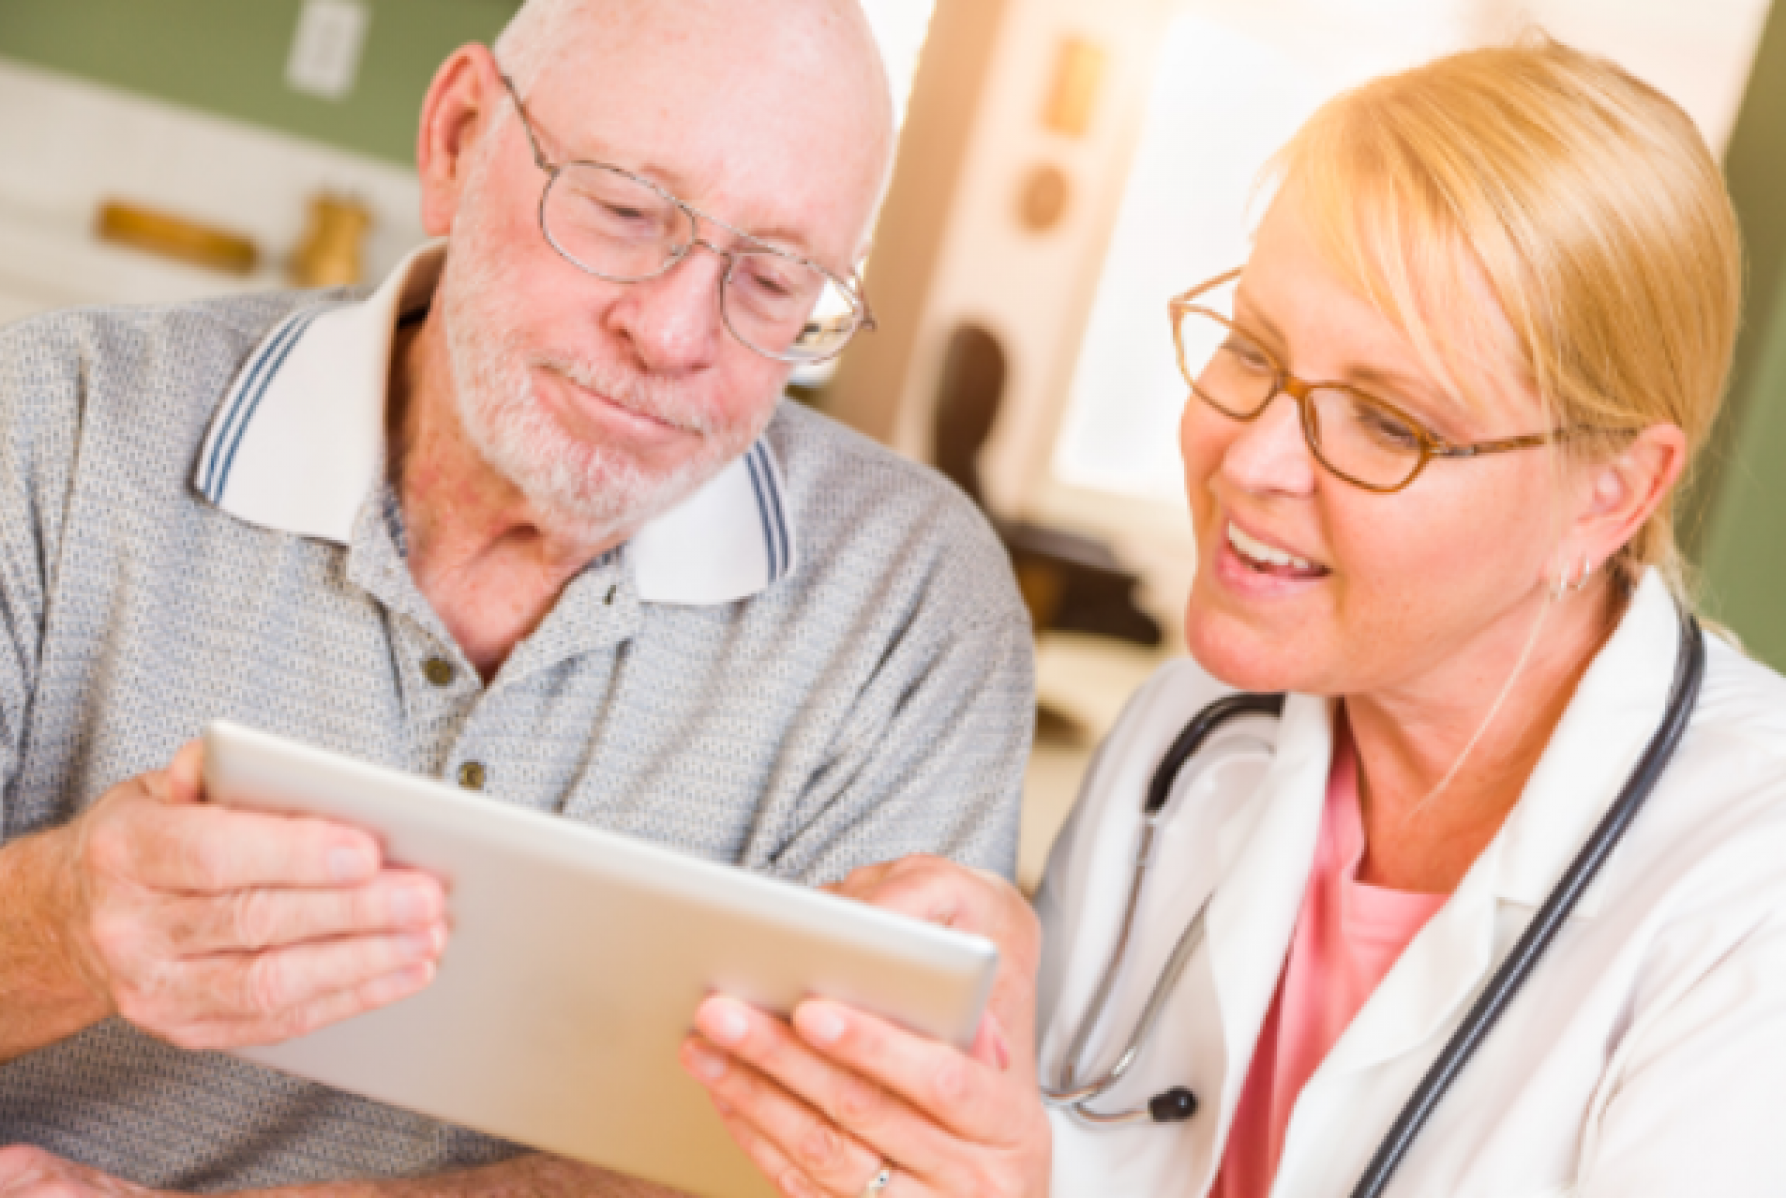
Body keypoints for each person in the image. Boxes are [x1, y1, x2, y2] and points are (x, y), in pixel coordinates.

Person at [680, 37, 1786, 1197]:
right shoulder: (1191, 732)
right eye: (1253, 351)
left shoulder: (1747, 889)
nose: (1250, 457)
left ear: (1609, 494)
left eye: (1390, 424)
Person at [0, 0, 1033, 1194]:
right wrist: (56, 923)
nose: (675, 334)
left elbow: (842, 1165)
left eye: (778, 278)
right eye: (627, 211)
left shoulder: (907, 604)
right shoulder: (47, 428)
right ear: (457, 138)